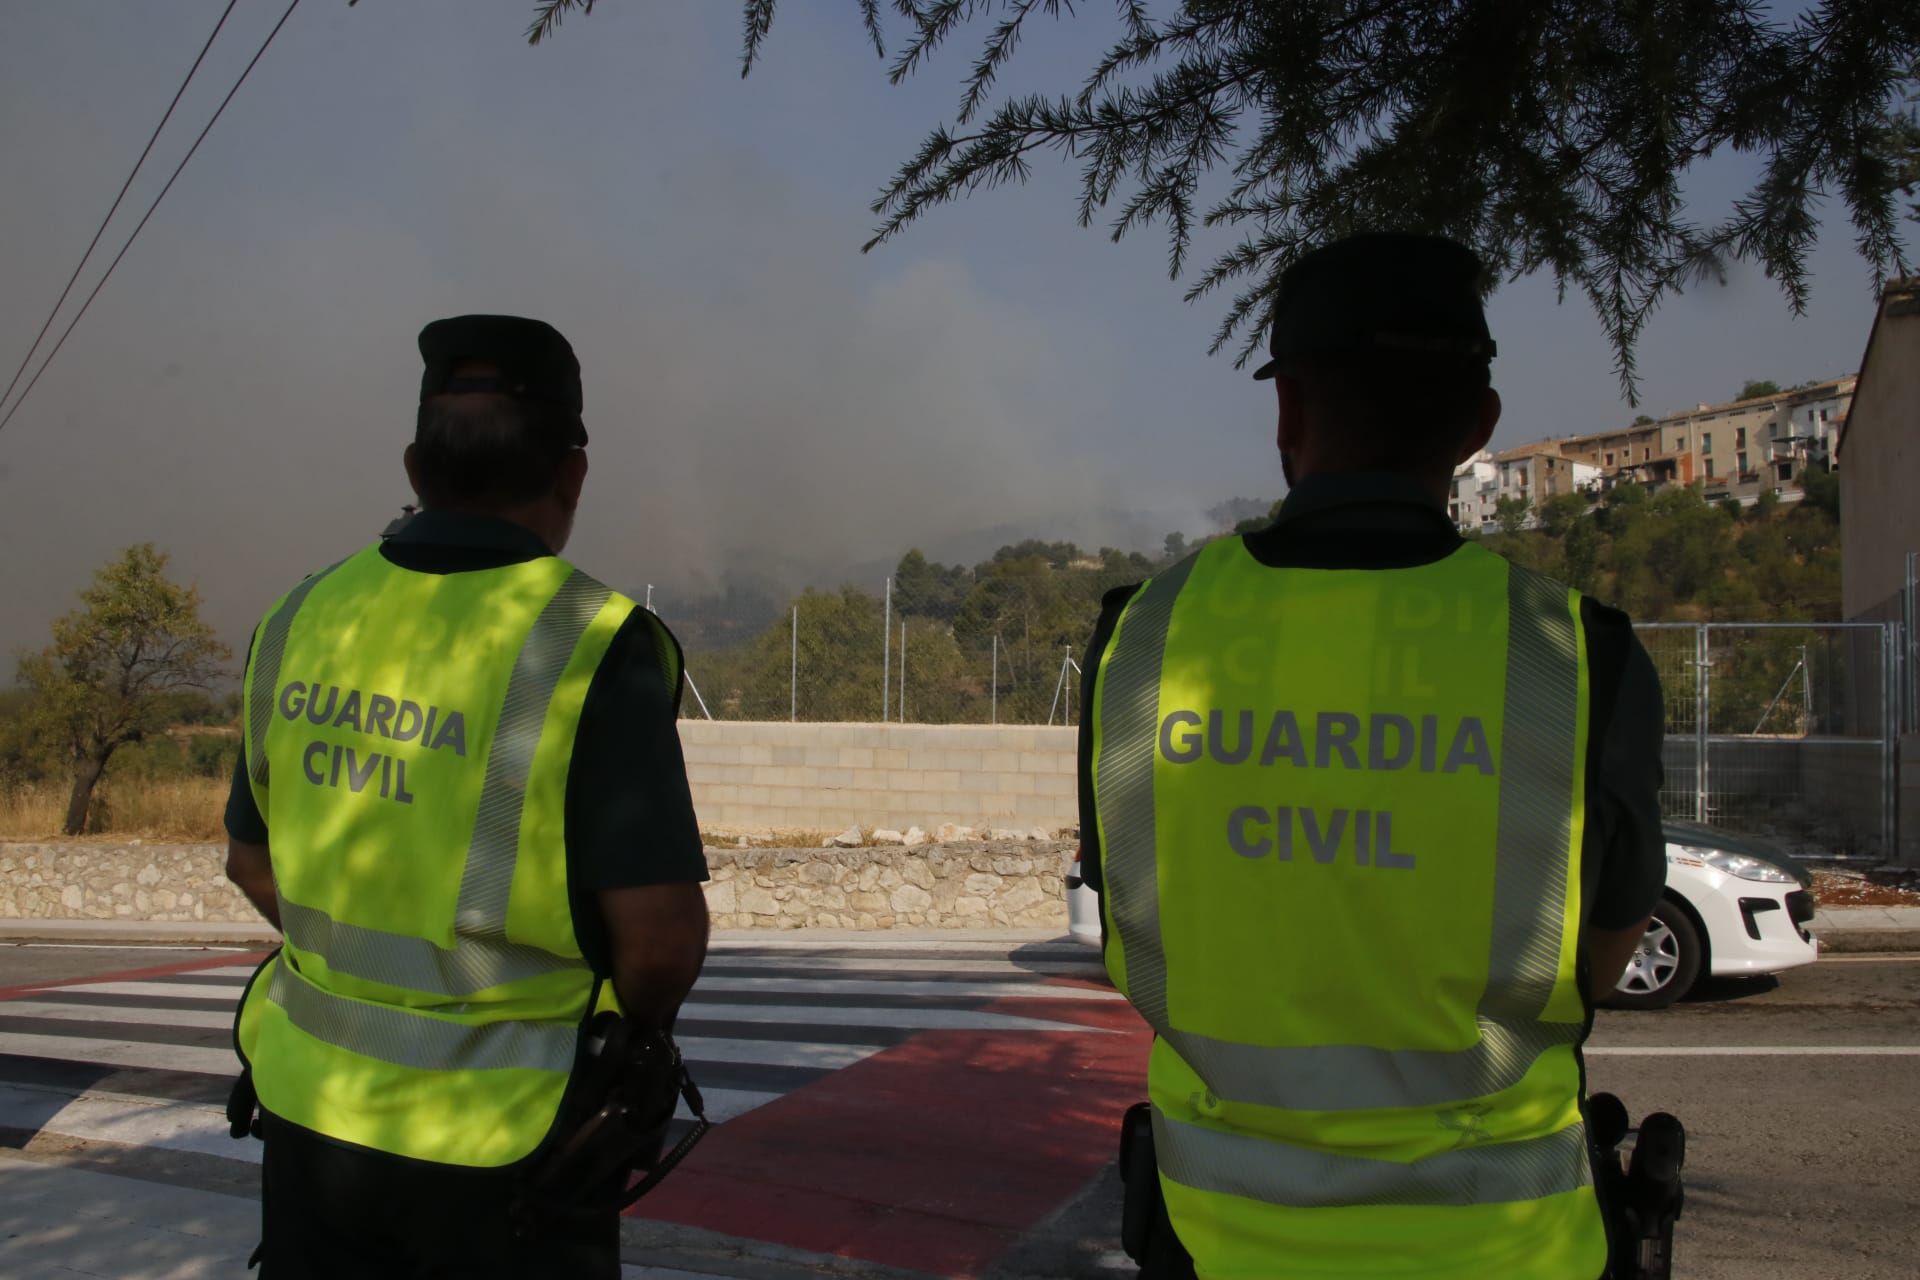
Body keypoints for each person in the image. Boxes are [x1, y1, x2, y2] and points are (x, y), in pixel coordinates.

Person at [1077, 234, 1666, 1280]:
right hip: (1512, 1251)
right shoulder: (1576, 656)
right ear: (1479, 426)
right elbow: (1607, 948)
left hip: (1214, 1244)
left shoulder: (1144, 637)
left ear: (1287, 409)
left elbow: (1123, 912)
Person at [223, 314, 711, 1279]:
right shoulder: (592, 642)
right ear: (573, 473)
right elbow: (658, 944)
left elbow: (250, 858)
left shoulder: (301, 614)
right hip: (511, 1155)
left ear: (414, 465)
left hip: (310, 1123)